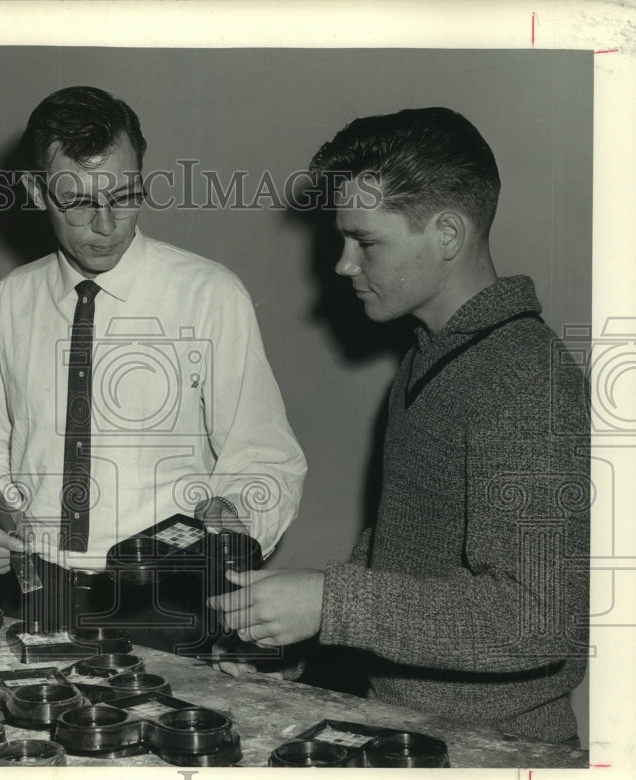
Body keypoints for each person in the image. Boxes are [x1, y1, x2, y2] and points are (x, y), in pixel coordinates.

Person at [209, 107, 590, 745]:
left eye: (367, 241)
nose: (343, 265)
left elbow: (542, 617)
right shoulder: (429, 357)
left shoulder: (526, 377)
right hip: (410, 729)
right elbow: (403, 555)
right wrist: (304, 639)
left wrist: (332, 603)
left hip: (499, 753)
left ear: (447, 234)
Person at [0, 86, 306, 616]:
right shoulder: (7, 304)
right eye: (80, 202)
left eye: (125, 195)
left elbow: (266, 458)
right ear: (36, 192)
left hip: (172, 598)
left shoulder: (210, 296)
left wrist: (233, 516)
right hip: (39, 593)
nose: (107, 225)